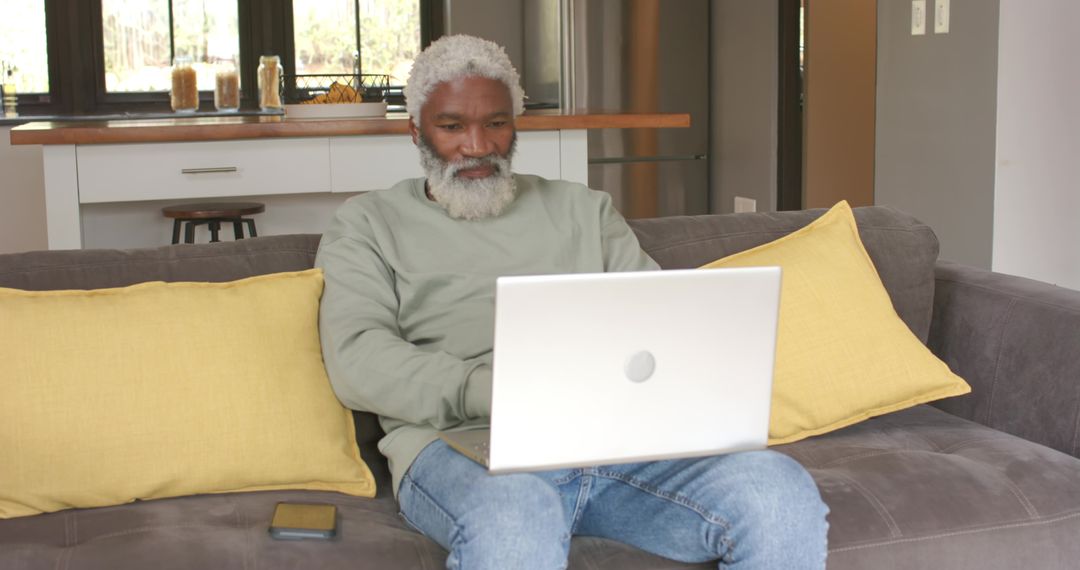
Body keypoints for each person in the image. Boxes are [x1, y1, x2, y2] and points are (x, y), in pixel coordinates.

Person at [316, 34, 828, 569]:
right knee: (518, 513)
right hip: (462, 450)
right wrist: (491, 390)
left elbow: (657, 325)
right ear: (416, 130)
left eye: (496, 123)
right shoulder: (369, 223)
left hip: (617, 445)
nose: (477, 145)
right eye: (451, 126)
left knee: (777, 489)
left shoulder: (585, 210)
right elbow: (357, 356)